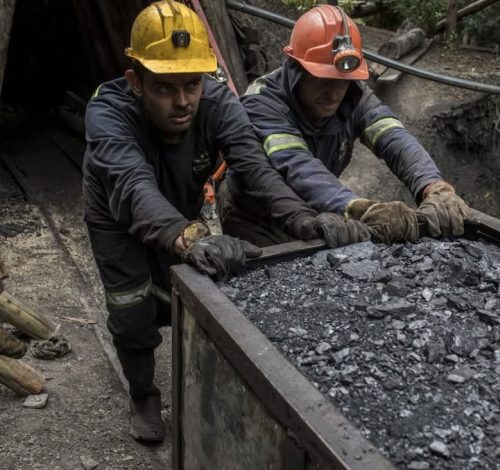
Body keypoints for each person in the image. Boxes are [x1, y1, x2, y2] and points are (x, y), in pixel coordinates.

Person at [82, 0, 361, 443]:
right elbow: (134, 186)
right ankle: (143, 393)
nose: (182, 102)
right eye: (164, 88)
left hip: (179, 201)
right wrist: (189, 235)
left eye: (191, 85)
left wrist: (305, 220)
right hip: (116, 213)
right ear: (135, 81)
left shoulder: (215, 102)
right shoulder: (108, 113)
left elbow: (256, 167)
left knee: (187, 287)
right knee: (131, 302)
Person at [218, 4, 471, 247]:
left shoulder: (353, 94)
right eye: (323, 79)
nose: (334, 93)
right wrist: (359, 208)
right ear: (295, 69)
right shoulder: (262, 101)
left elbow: (394, 138)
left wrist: (432, 185)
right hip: (256, 218)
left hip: (319, 211)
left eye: (343, 80)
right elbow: (297, 165)